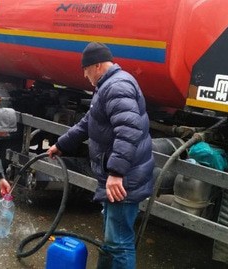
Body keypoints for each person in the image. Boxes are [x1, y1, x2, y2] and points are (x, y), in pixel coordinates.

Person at [46, 42, 155, 269]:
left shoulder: (116, 86)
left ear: (96, 66)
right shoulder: (108, 86)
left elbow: (128, 130)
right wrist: (61, 145)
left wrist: (116, 173)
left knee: (119, 243)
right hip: (120, 177)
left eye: (85, 70)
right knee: (111, 240)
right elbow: (88, 123)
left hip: (124, 180)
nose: (85, 76)